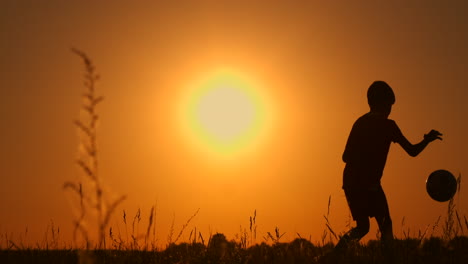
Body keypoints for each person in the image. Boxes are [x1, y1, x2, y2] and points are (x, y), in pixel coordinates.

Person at [335, 81, 442, 250]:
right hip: (361, 183)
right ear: (383, 103)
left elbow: (345, 156)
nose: (390, 109)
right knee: (383, 226)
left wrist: (426, 140)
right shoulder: (386, 126)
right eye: (389, 104)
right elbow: (412, 151)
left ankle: (329, 258)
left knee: (364, 228)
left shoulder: (362, 123)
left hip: (354, 182)